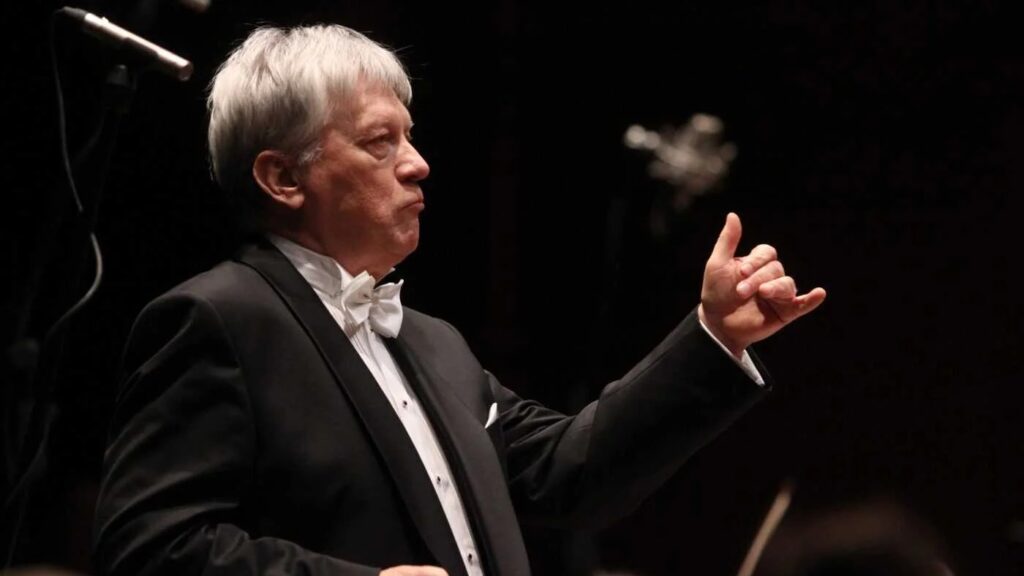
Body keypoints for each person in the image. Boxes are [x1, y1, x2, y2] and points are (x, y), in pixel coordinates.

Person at [92, 24, 826, 576]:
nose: (419, 164)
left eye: (409, 137)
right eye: (381, 142)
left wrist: (712, 337)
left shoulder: (434, 342)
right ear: (283, 178)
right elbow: (150, 545)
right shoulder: (220, 320)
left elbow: (572, 476)